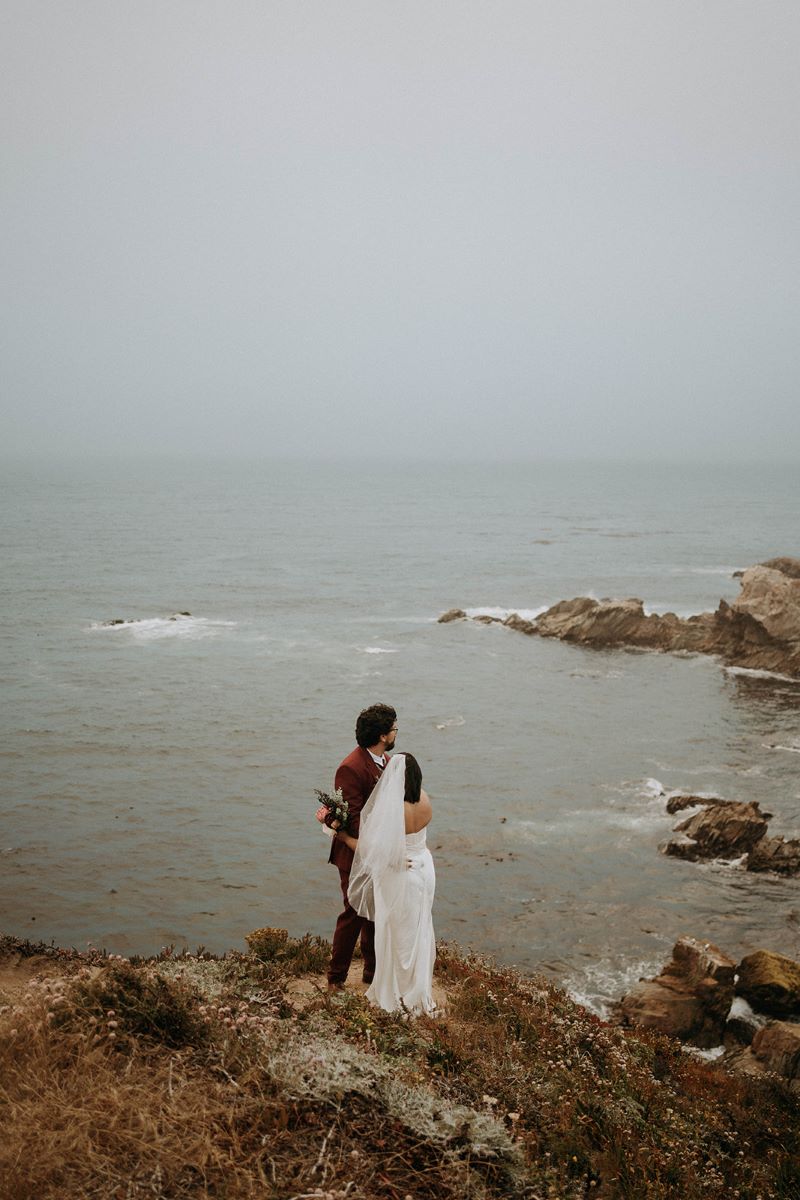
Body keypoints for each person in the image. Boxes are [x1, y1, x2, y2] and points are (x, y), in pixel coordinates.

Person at [338, 752, 436, 1015]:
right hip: (424, 868)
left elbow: (372, 850)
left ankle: (394, 992)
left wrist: (343, 835)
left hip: (400, 873)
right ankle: (416, 990)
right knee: (418, 930)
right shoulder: (424, 798)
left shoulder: (394, 810)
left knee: (393, 932)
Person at [326, 703, 398, 990]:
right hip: (354, 855)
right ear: (382, 735)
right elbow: (353, 820)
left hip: (379, 854)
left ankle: (372, 971)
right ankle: (335, 978)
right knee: (354, 912)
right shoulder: (351, 767)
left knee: (376, 911)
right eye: (393, 729)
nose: (395, 733)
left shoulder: (388, 762)